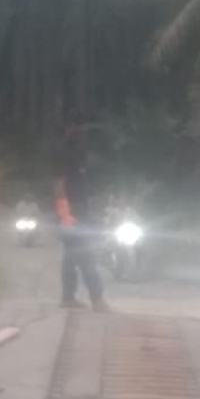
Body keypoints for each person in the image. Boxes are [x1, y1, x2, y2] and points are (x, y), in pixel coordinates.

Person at [54, 124, 110, 312]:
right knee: (86, 255)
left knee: (70, 257)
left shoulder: (79, 155)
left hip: (79, 211)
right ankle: (97, 299)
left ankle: (68, 297)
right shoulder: (64, 154)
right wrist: (65, 214)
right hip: (71, 213)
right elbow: (58, 184)